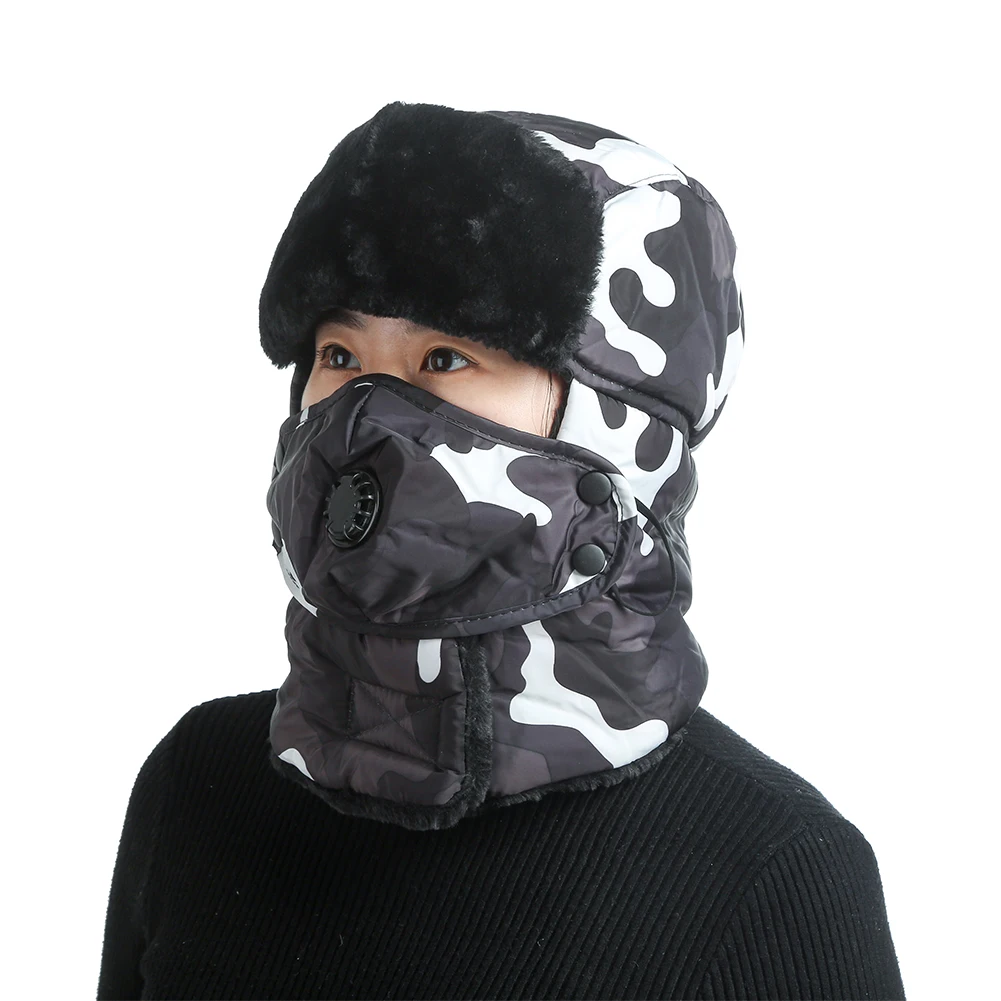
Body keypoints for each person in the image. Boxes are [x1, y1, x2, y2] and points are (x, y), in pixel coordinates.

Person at [97, 101, 906, 1000]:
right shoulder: (199, 785)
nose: (362, 418)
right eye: (338, 354)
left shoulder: (773, 875)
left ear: (613, 422)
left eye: (446, 357)